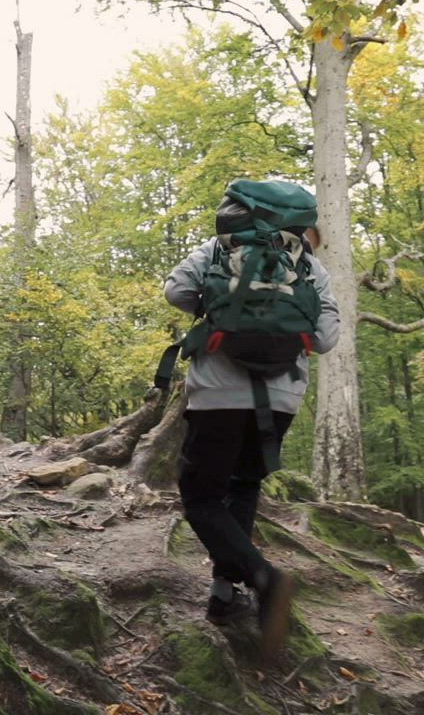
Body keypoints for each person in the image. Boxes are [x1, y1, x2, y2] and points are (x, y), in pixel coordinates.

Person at [163, 193, 339, 662]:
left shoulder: (217, 249)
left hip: (217, 392)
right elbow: (325, 339)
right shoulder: (309, 267)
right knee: (243, 485)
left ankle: (264, 579)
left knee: (201, 497)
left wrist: (218, 307)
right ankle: (223, 595)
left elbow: (176, 292)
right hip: (281, 397)